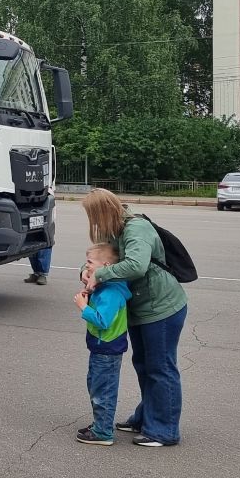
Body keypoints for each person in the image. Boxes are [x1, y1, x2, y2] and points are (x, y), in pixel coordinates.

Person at [81, 188, 188, 447]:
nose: (93, 223)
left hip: (162, 308)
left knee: (160, 368)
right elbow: (101, 259)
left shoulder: (136, 228)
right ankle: (146, 419)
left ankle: (164, 430)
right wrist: (86, 271)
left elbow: (136, 266)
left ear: (103, 212)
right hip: (142, 309)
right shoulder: (114, 229)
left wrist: (100, 275)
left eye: (93, 216)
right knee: (144, 364)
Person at [74, 243, 132, 446]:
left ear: (106, 266)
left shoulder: (111, 292)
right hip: (100, 347)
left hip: (107, 349)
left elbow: (103, 321)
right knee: (96, 385)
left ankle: (103, 431)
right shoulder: (105, 286)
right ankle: (100, 424)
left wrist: (84, 307)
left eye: (90, 262)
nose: (86, 266)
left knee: (103, 390)